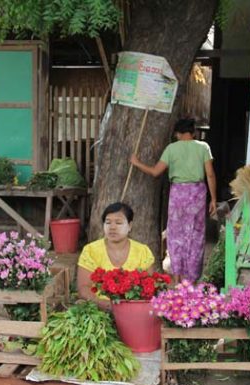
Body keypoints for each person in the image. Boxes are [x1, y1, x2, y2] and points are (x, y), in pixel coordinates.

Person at [130, 118, 217, 283]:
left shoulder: (171, 148)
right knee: (195, 234)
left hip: (177, 193)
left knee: (176, 234)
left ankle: (177, 277)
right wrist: (213, 199)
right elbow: (210, 174)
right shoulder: (203, 147)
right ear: (193, 133)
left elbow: (156, 172)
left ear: (177, 133)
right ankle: (191, 279)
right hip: (197, 194)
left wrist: (137, 163)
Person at [77, 202, 155, 310]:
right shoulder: (90, 250)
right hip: (99, 309)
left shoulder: (143, 251)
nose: (112, 227)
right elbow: (83, 288)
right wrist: (104, 304)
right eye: (108, 222)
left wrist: (127, 308)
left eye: (118, 223)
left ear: (130, 226)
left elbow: (148, 288)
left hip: (134, 310)